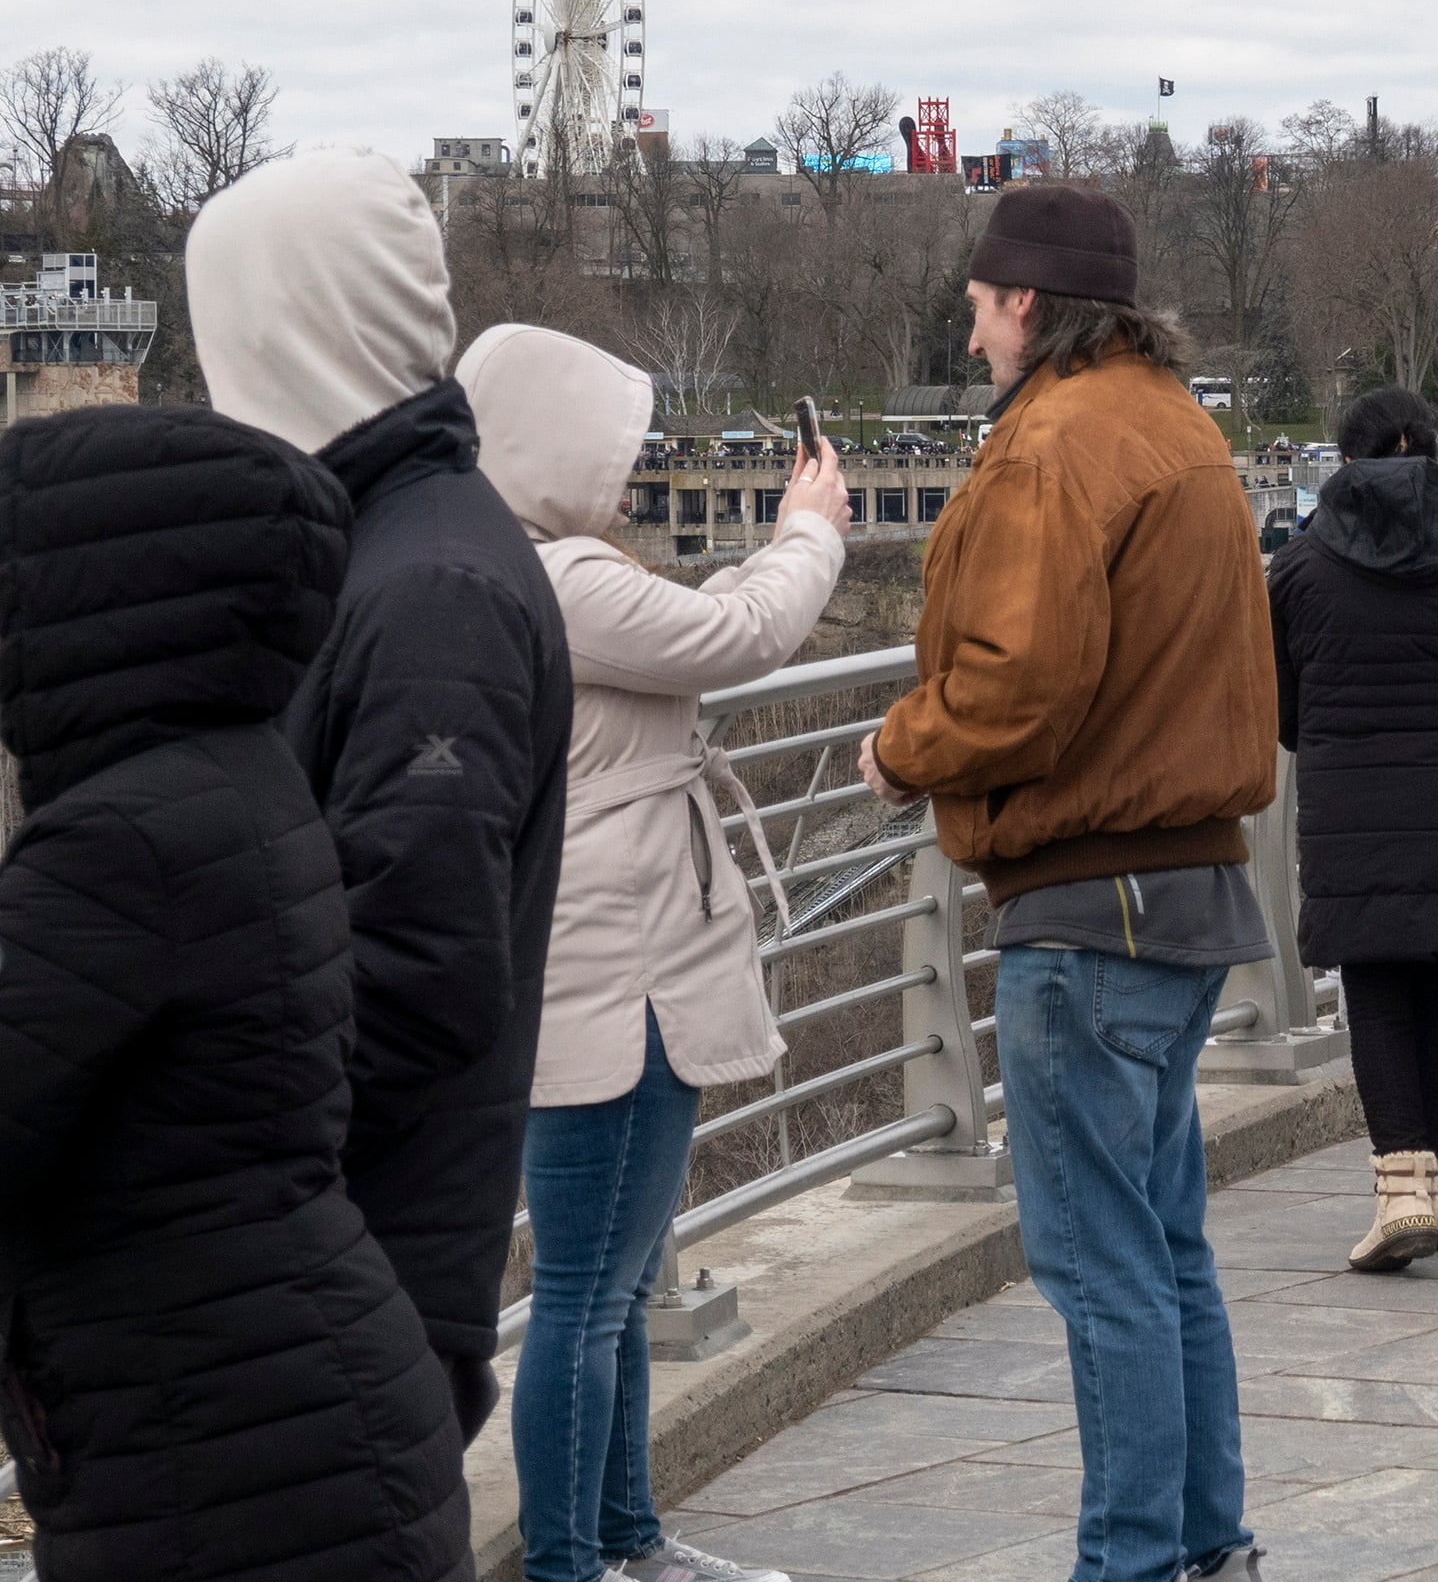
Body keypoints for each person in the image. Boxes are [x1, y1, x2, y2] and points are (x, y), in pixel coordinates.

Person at [857, 185, 1278, 1582]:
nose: (971, 333)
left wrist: (897, 749)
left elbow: (1013, 686)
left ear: (1026, 303)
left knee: (1099, 1265)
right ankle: (1209, 1545)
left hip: (1090, 906)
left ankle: (1133, 1563)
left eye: (978, 307)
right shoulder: (1180, 425)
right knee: (1165, 1251)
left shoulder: (1057, 442)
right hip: (1190, 891)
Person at [0, 405, 470, 1582]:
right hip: (281, 1431)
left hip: (231, 1466)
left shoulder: (123, 841)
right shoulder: (232, 775)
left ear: (82, 591)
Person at [184, 147, 573, 1445]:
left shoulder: (428, 595)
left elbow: (414, 970)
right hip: (340, 1266)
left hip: (343, 1281)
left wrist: (166, 1112)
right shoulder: (397, 547)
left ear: (291, 334)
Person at [462, 326, 850, 1582]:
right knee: (585, 1296)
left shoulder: (514, 562)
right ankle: (574, 1564)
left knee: (613, 1287)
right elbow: (735, 640)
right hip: (615, 981)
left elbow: (691, 620)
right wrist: (812, 532)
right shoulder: (560, 579)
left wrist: (774, 555)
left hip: (600, 970)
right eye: (614, 448)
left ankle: (623, 1546)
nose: (632, 475)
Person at [1269, 384, 1438, 1270]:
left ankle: (1402, 1191)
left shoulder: (1302, 569)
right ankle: (1431, 1188)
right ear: (1432, 455)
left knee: (1377, 990)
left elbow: (1281, 711)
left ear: (1344, 463)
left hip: (1352, 812)